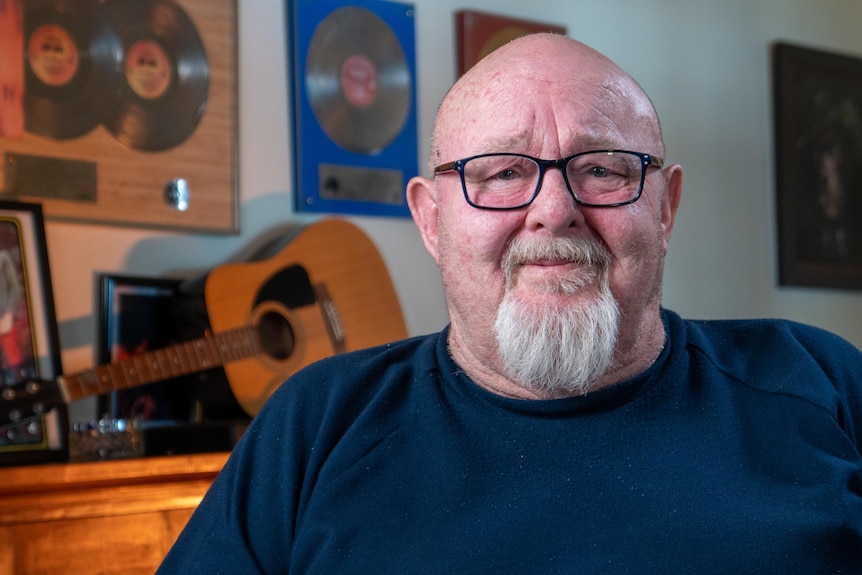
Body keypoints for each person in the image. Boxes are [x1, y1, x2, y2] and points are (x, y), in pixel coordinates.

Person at [158, 34, 862, 573]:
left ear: (666, 208)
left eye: (602, 169)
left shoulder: (817, 381)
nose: (554, 210)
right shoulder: (316, 424)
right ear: (432, 221)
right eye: (500, 173)